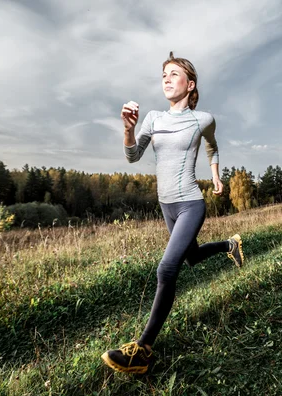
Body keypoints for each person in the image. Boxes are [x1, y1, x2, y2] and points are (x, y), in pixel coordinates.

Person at [101, 52, 245, 375]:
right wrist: (128, 129)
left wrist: (216, 174)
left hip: (191, 203)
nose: (166, 78)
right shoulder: (152, 118)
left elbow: (212, 145)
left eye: (174, 74)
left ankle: (143, 350)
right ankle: (229, 245)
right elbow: (133, 157)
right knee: (191, 258)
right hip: (167, 206)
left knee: (167, 269)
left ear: (190, 84)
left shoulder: (202, 119)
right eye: (163, 74)